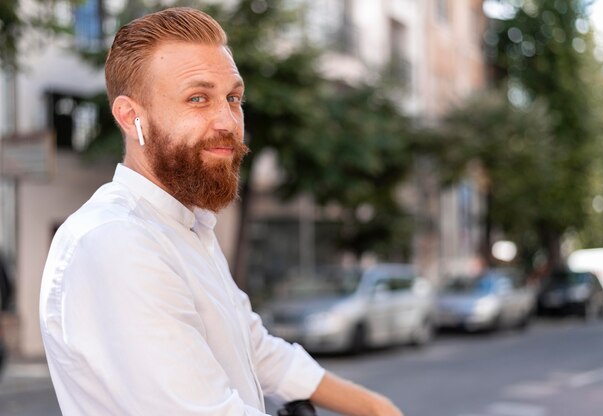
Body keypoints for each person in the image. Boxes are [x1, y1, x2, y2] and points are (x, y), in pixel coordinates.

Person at [39, 7, 403, 416]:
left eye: (233, 98)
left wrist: (374, 407)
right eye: (198, 98)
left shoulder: (186, 227)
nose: (228, 121)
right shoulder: (115, 242)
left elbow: (252, 346)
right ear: (130, 116)